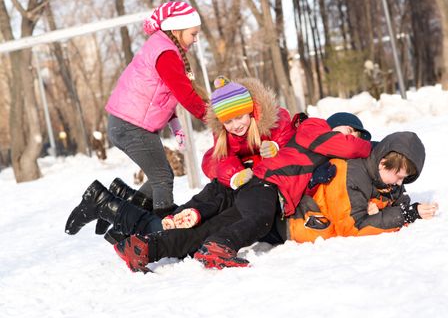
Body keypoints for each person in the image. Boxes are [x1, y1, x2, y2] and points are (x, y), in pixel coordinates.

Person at [106, 112, 372, 272]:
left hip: (252, 185)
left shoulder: (320, 151)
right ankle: (222, 246)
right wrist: (374, 148)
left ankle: (144, 248)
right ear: (336, 125)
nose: (354, 139)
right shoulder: (315, 127)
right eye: (351, 132)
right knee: (258, 220)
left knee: (204, 233)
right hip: (265, 184)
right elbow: (347, 147)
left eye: (358, 136)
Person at [65, 76, 295, 244]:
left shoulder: (271, 126)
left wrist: (270, 150)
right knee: (186, 227)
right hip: (233, 190)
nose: (236, 125)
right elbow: (216, 160)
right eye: (229, 121)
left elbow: (284, 136)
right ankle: (110, 207)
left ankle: (121, 202)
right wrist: (236, 174)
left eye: (239, 118)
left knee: (188, 225)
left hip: (243, 192)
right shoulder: (231, 134)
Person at [103, 1, 207, 221]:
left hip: (127, 123)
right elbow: (184, 93)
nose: (195, 39)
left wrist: (176, 126)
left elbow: (162, 96)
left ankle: (119, 215)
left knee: (160, 175)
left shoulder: (163, 47)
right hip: (131, 125)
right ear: (177, 30)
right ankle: (162, 231)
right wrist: (213, 118)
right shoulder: (166, 53)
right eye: (193, 34)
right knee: (162, 177)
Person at [287, 131, 438, 243]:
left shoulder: (388, 178)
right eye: (399, 176)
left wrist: (382, 211)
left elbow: (400, 204)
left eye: (404, 178)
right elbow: (353, 228)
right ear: (382, 162)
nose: (400, 183)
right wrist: (406, 214)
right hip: (296, 225)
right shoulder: (349, 174)